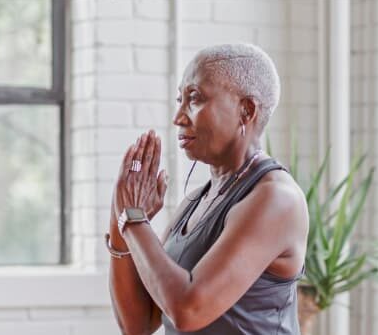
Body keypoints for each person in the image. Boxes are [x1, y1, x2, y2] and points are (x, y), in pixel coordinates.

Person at [105, 43, 309, 334]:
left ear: (246, 110)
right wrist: (121, 216)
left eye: (195, 98)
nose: (178, 117)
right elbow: (138, 324)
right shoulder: (194, 203)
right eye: (180, 100)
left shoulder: (275, 198)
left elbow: (189, 310)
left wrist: (135, 219)